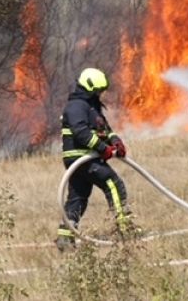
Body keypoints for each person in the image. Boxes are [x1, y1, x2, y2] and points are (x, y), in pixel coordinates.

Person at [55, 67, 131, 251]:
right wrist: (103, 149)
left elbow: (103, 129)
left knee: (78, 197)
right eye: (97, 90)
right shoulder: (76, 106)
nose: (100, 94)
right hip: (82, 157)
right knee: (113, 184)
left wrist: (115, 141)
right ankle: (125, 230)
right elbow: (81, 132)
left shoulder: (90, 106)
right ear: (89, 87)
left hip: (84, 157)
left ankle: (65, 238)